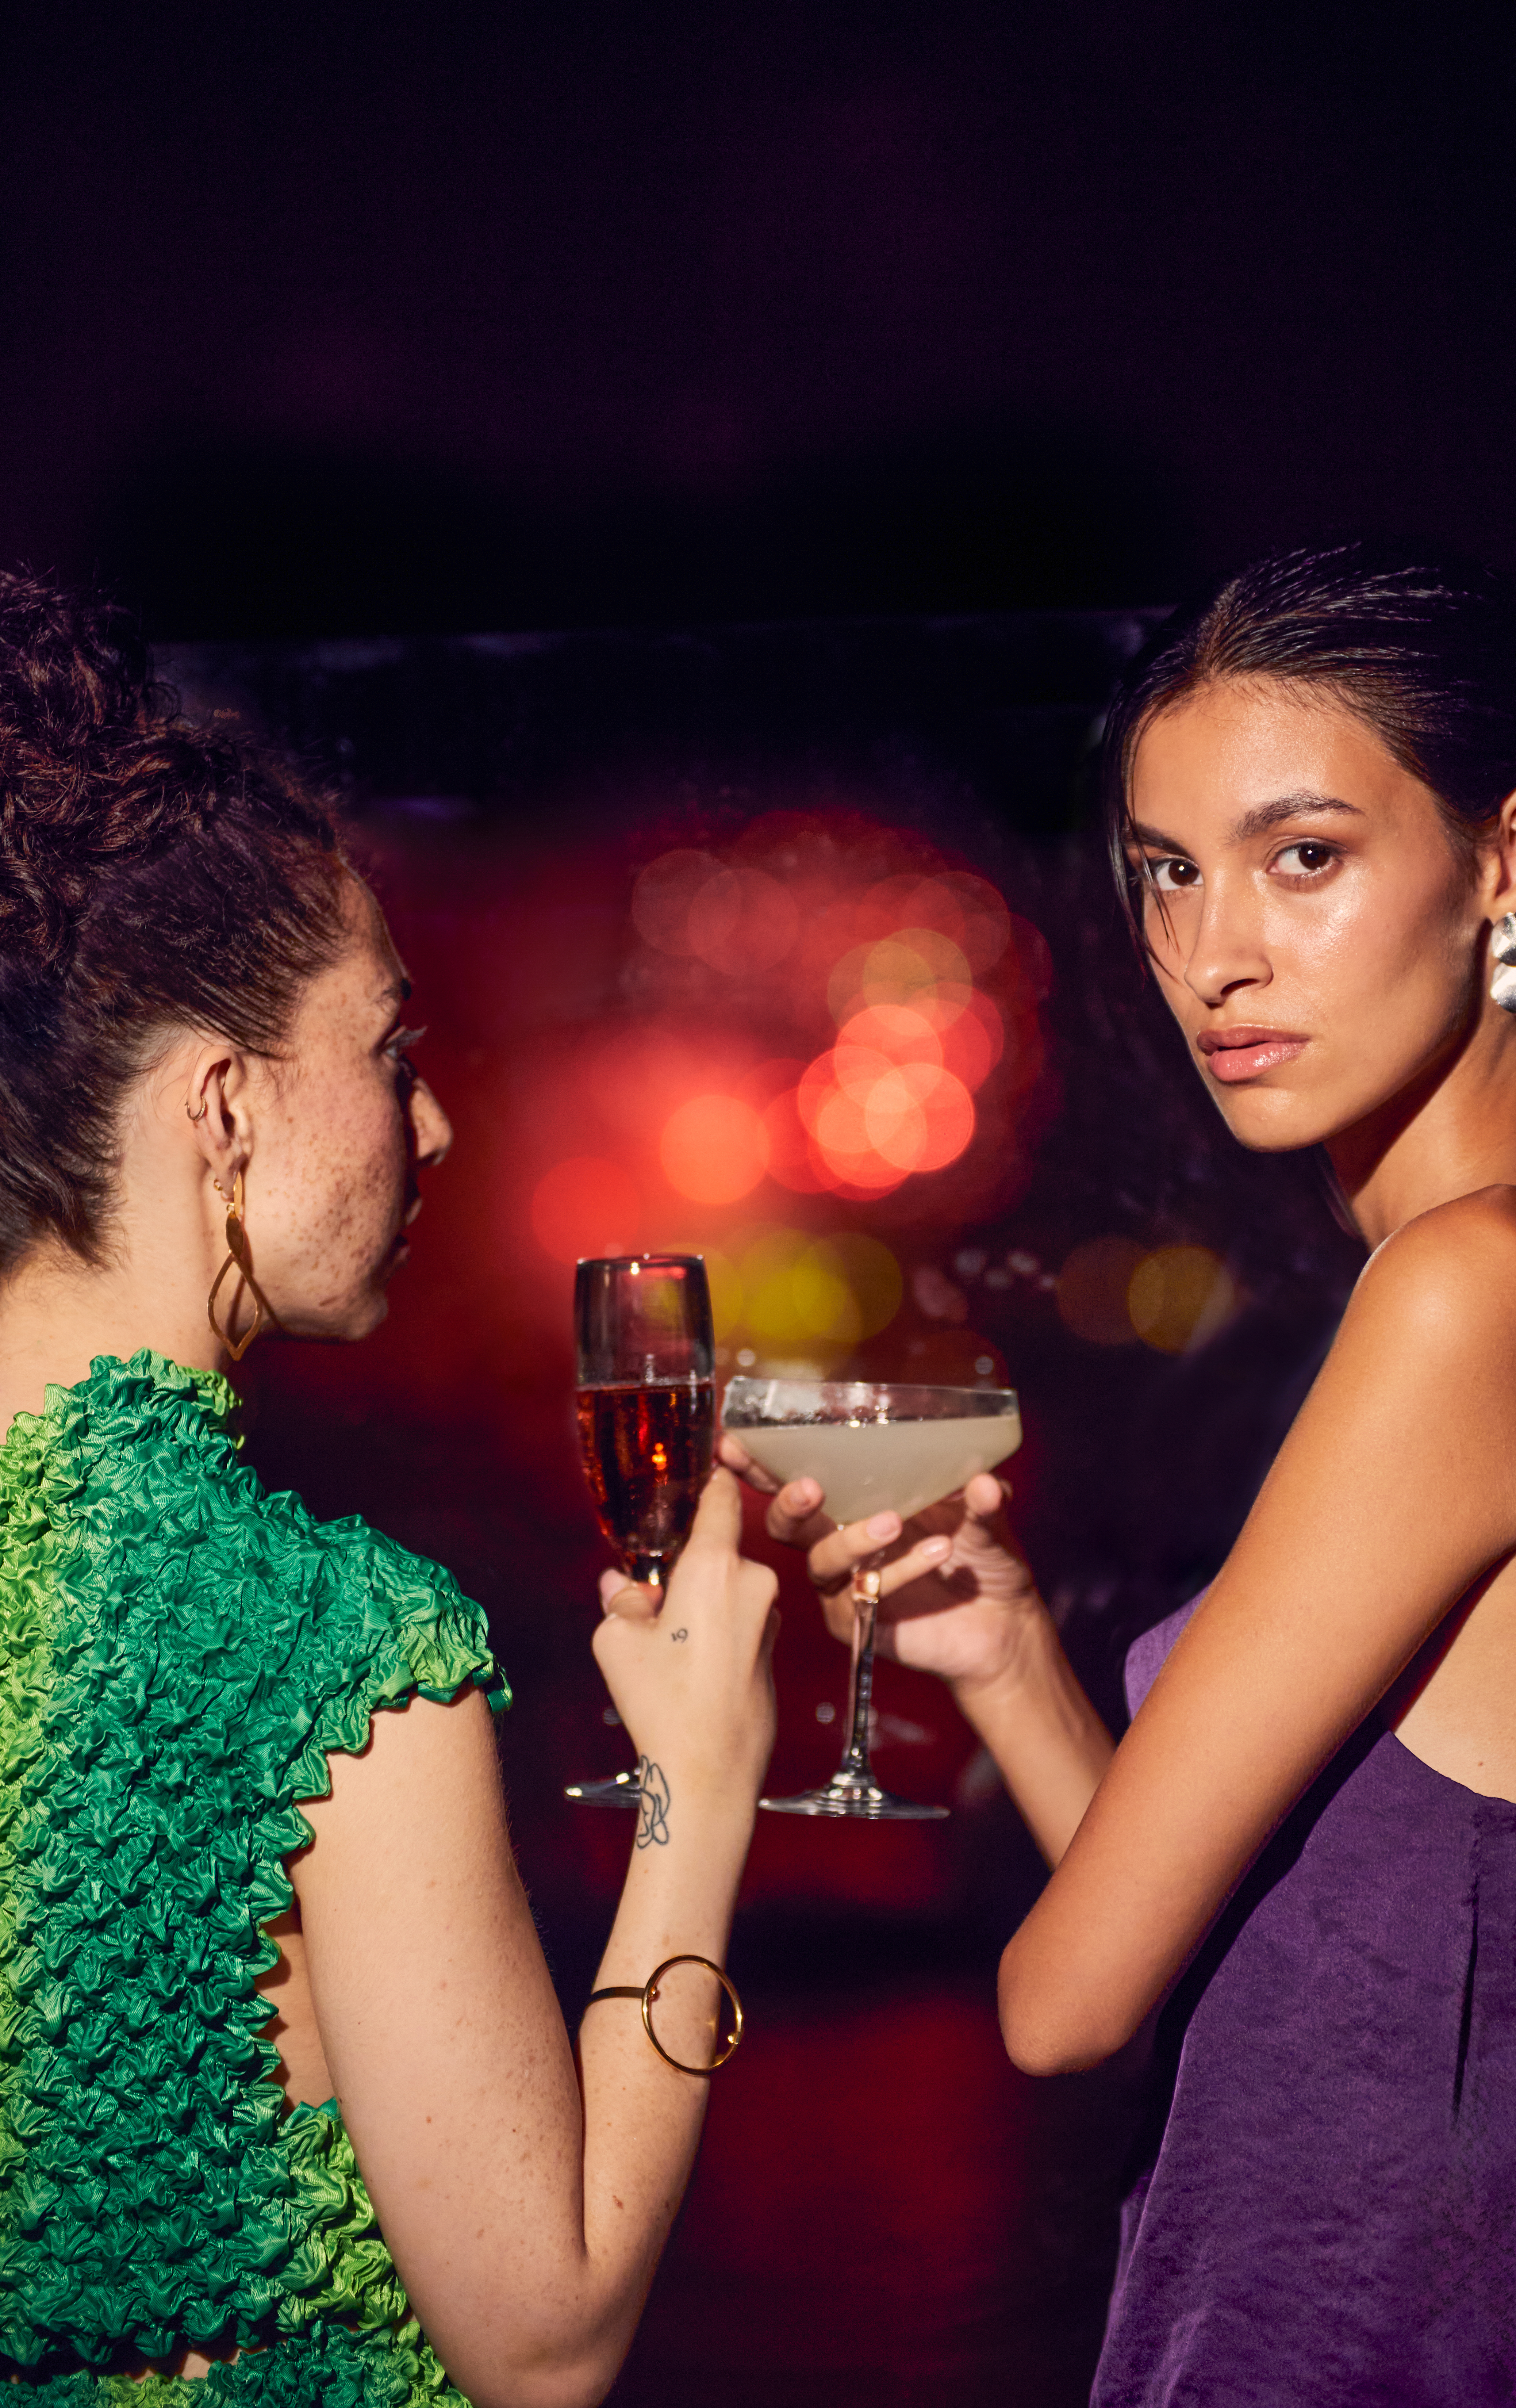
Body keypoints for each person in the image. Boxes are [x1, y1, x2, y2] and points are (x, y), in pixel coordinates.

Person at [724, 541, 1516, 2403]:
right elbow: (1271, 1957)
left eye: (1303, 856)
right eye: (1164, 873)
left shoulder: (1473, 1291)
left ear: (1509, 860)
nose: (1214, 952)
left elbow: (1066, 2008)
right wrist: (1016, 1654)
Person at [0, 571, 779, 2407]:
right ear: (226, 1106)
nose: (432, 1128)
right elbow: (546, 2333)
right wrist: (701, 1790)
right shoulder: (324, 1646)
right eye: (390, 1051)